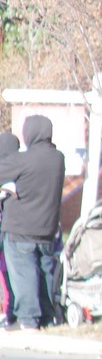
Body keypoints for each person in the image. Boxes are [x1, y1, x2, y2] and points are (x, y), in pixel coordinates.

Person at [0, 115, 66, 332]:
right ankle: (46, 317)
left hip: (20, 228)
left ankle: (27, 319)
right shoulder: (58, 158)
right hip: (47, 229)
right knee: (45, 272)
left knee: (24, 272)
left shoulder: (24, 160)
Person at [0, 132, 20, 328]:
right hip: (16, 230)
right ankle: (11, 310)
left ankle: (10, 311)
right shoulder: (22, 168)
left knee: (7, 276)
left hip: (6, 232)